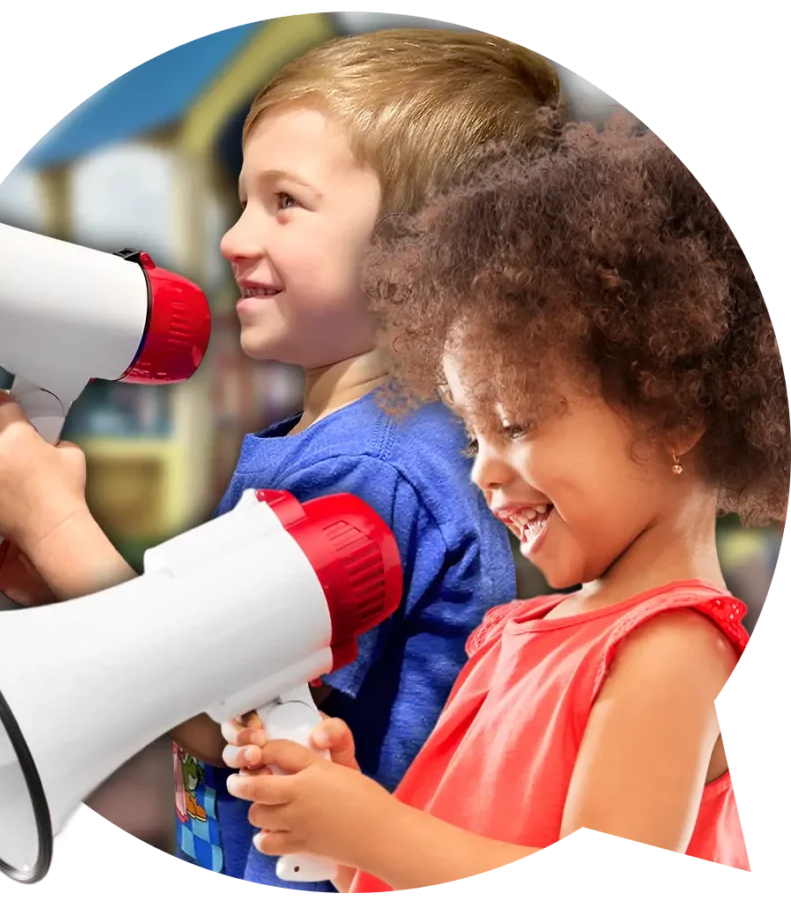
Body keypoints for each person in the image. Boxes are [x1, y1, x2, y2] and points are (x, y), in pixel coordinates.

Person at [0, 28, 563, 891]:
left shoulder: (370, 471)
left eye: (285, 203)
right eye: (242, 201)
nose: (233, 239)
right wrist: (58, 588)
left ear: (425, 255)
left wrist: (55, 524)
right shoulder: (356, 443)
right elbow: (218, 657)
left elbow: (243, 727)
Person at [219, 113, 789, 891]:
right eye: (474, 432)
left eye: (515, 423)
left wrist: (373, 828)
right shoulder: (522, 632)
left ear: (673, 416)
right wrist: (349, 822)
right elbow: (435, 863)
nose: (485, 473)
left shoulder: (669, 648)